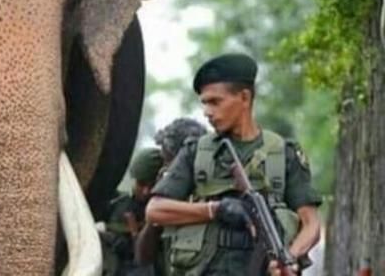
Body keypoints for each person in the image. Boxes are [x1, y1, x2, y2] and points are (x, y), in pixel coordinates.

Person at [145, 53, 322, 275]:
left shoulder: (284, 153)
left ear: (244, 98)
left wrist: (289, 259)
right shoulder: (196, 151)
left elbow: (311, 224)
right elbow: (155, 210)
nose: (207, 112)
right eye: (204, 103)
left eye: (215, 102)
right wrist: (215, 210)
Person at [134, 118, 209, 274]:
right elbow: (143, 256)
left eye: (169, 162)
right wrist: (163, 200)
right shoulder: (169, 197)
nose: (166, 170)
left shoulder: (210, 192)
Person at [101, 147, 164, 275]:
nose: (146, 191)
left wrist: (135, 233)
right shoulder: (117, 205)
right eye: (141, 184)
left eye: (152, 185)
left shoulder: (163, 211)